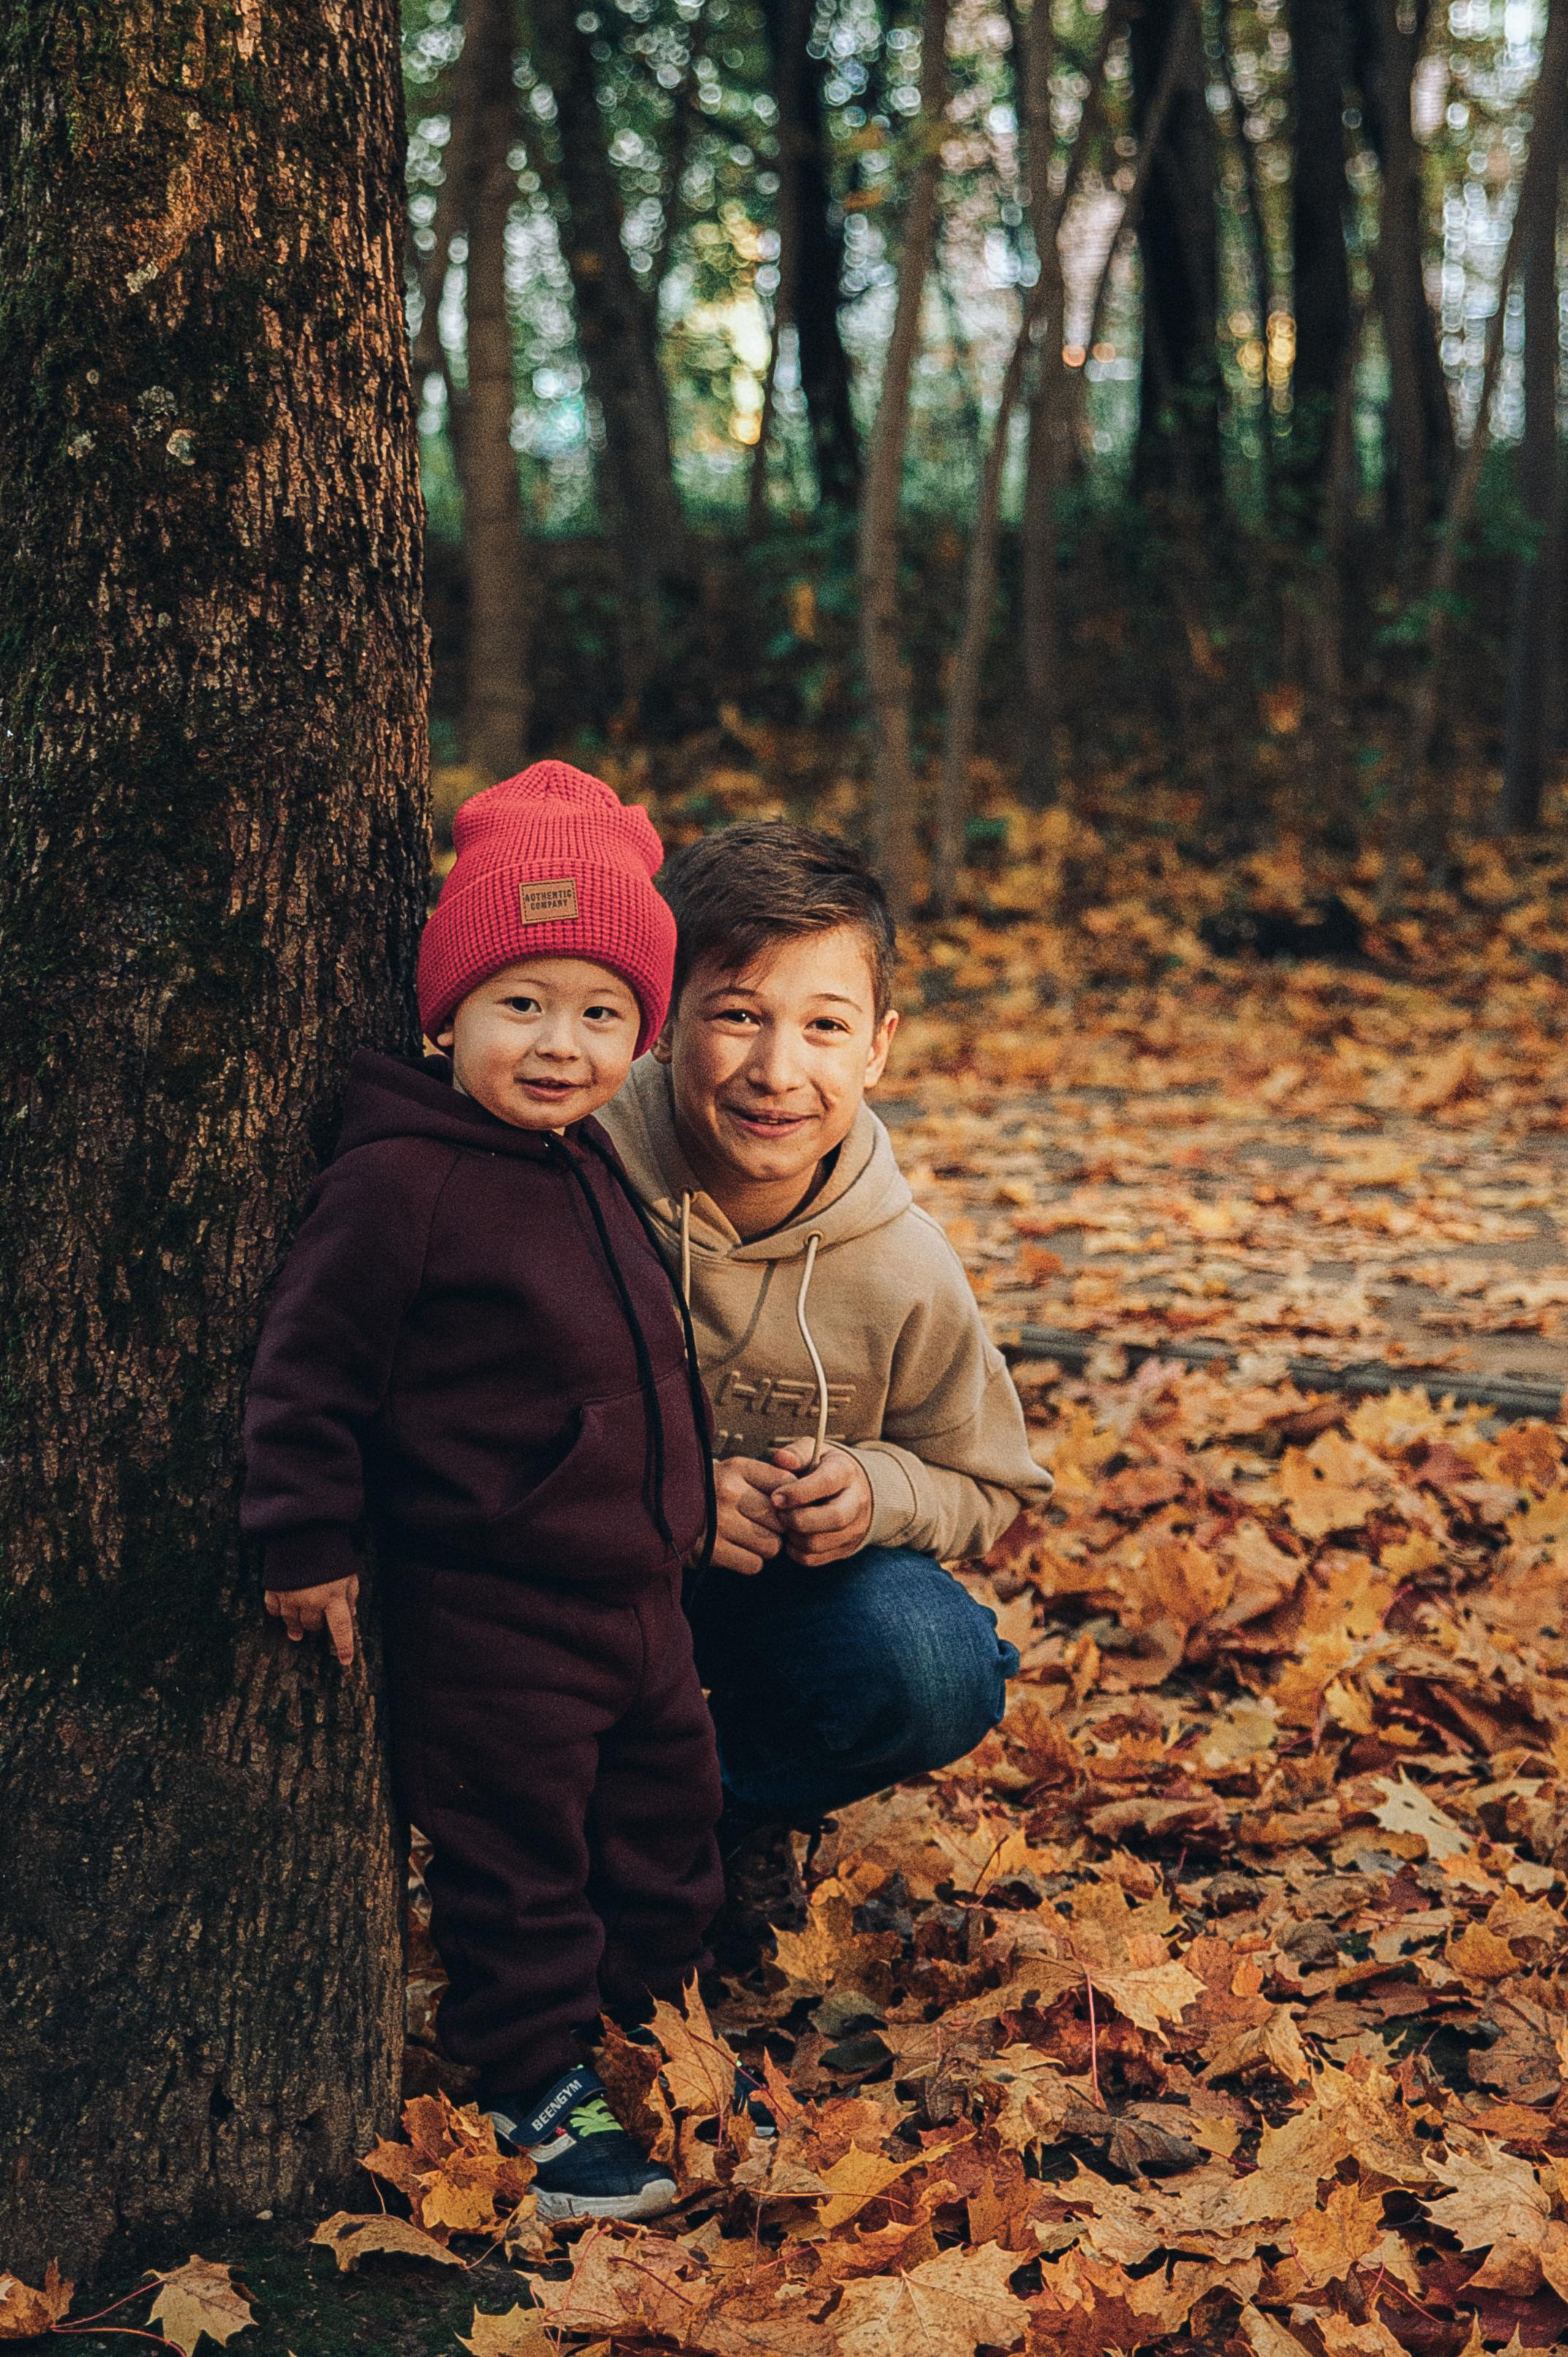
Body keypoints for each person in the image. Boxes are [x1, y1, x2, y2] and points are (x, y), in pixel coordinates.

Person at [241, 763, 722, 2222]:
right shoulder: (405, 1178)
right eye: (521, 1006)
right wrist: (303, 1532)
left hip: (640, 1600)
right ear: (444, 1013)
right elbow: (309, 1361)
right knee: (517, 1868)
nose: (560, 1046)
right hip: (497, 1610)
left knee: (666, 1825)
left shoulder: (581, 1161)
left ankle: (647, 2036)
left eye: (600, 1015)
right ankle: (529, 2088)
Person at [597, 822, 1052, 1952]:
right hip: (577, 1577)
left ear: (878, 1049)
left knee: (936, 1664)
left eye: (825, 1027)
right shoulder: (574, 1173)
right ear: (664, 1018)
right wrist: (675, 1489)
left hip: (763, 1606)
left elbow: (988, 1483)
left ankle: (718, 1827)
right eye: (739, 1014)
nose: (777, 1071)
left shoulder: (902, 1265)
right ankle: (582, 1835)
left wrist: (870, 1487)